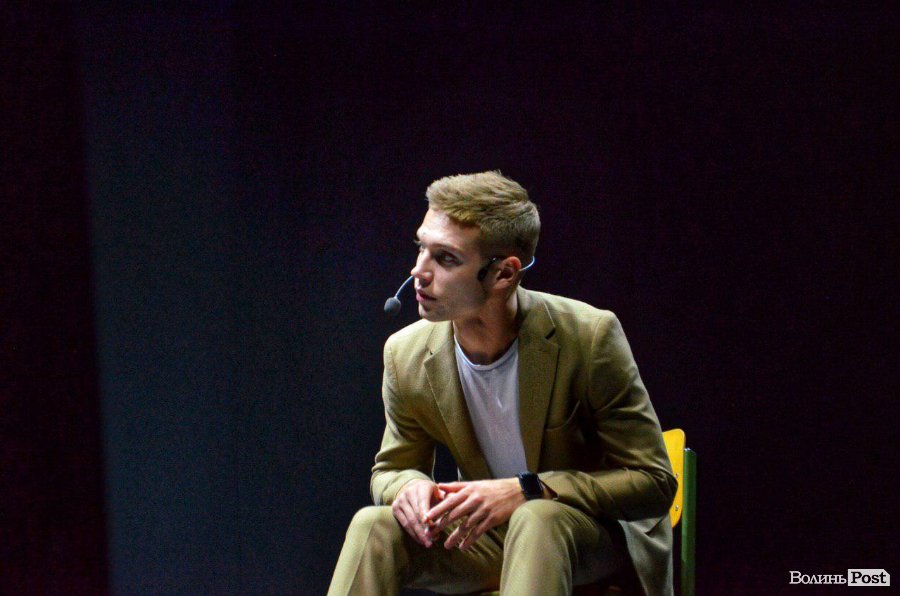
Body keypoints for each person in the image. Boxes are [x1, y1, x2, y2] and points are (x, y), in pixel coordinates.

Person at [328, 171, 676, 595]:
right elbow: (392, 468)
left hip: (591, 536)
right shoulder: (407, 354)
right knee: (374, 525)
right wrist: (410, 487)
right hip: (491, 538)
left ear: (504, 274)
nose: (419, 271)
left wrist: (529, 489)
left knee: (537, 517)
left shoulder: (589, 337)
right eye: (421, 248)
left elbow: (654, 482)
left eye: (446, 258)